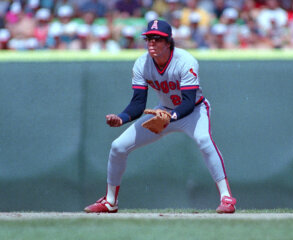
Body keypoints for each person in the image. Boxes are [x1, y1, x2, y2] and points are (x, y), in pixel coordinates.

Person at [84, 19, 237, 214]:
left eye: (157, 39)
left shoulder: (185, 61)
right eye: (148, 38)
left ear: (168, 42)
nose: (151, 43)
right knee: (118, 147)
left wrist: (170, 116)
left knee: (204, 140)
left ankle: (226, 198)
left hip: (195, 111)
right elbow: (138, 103)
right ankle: (110, 201)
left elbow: (189, 102)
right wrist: (122, 118)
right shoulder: (142, 63)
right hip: (162, 111)